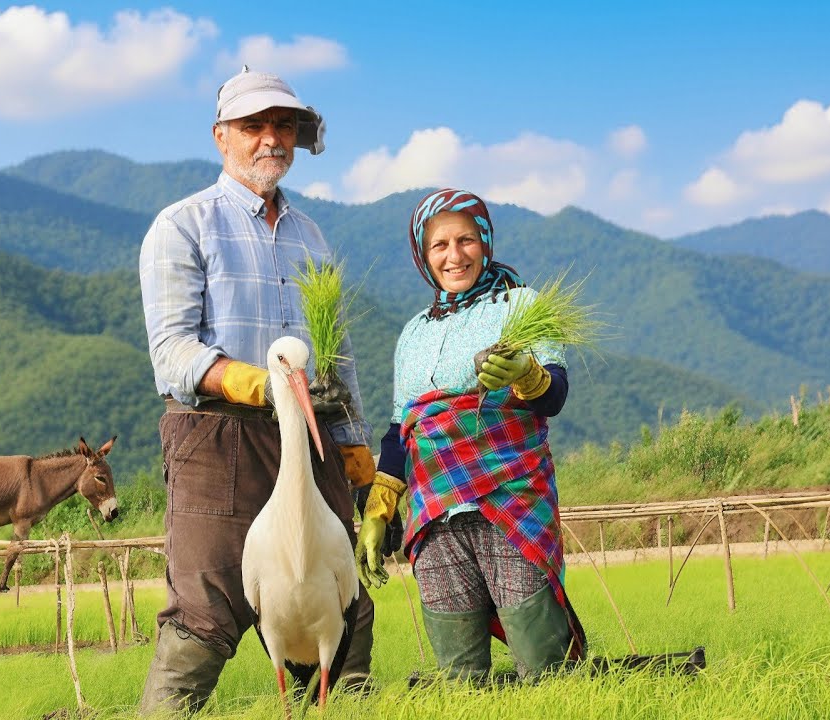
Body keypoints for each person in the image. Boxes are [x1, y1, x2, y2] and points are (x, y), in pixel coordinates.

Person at [138, 67, 378, 714]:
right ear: (222, 137)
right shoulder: (183, 225)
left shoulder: (311, 237)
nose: (271, 139)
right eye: (253, 127)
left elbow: (337, 355)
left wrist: (355, 449)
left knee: (339, 600)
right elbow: (173, 355)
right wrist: (256, 384)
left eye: (283, 126)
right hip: (217, 437)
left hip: (310, 434)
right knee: (205, 608)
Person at [354, 188, 587, 685]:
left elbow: (554, 394)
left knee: (543, 662)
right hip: (433, 508)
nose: (454, 256)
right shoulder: (413, 332)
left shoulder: (522, 305)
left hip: (511, 497)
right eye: (440, 245)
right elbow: (402, 428)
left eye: (465, 240)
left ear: (485, 241)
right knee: (459, 673)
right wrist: (378, 510)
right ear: (423, 252)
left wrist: (525, 372)